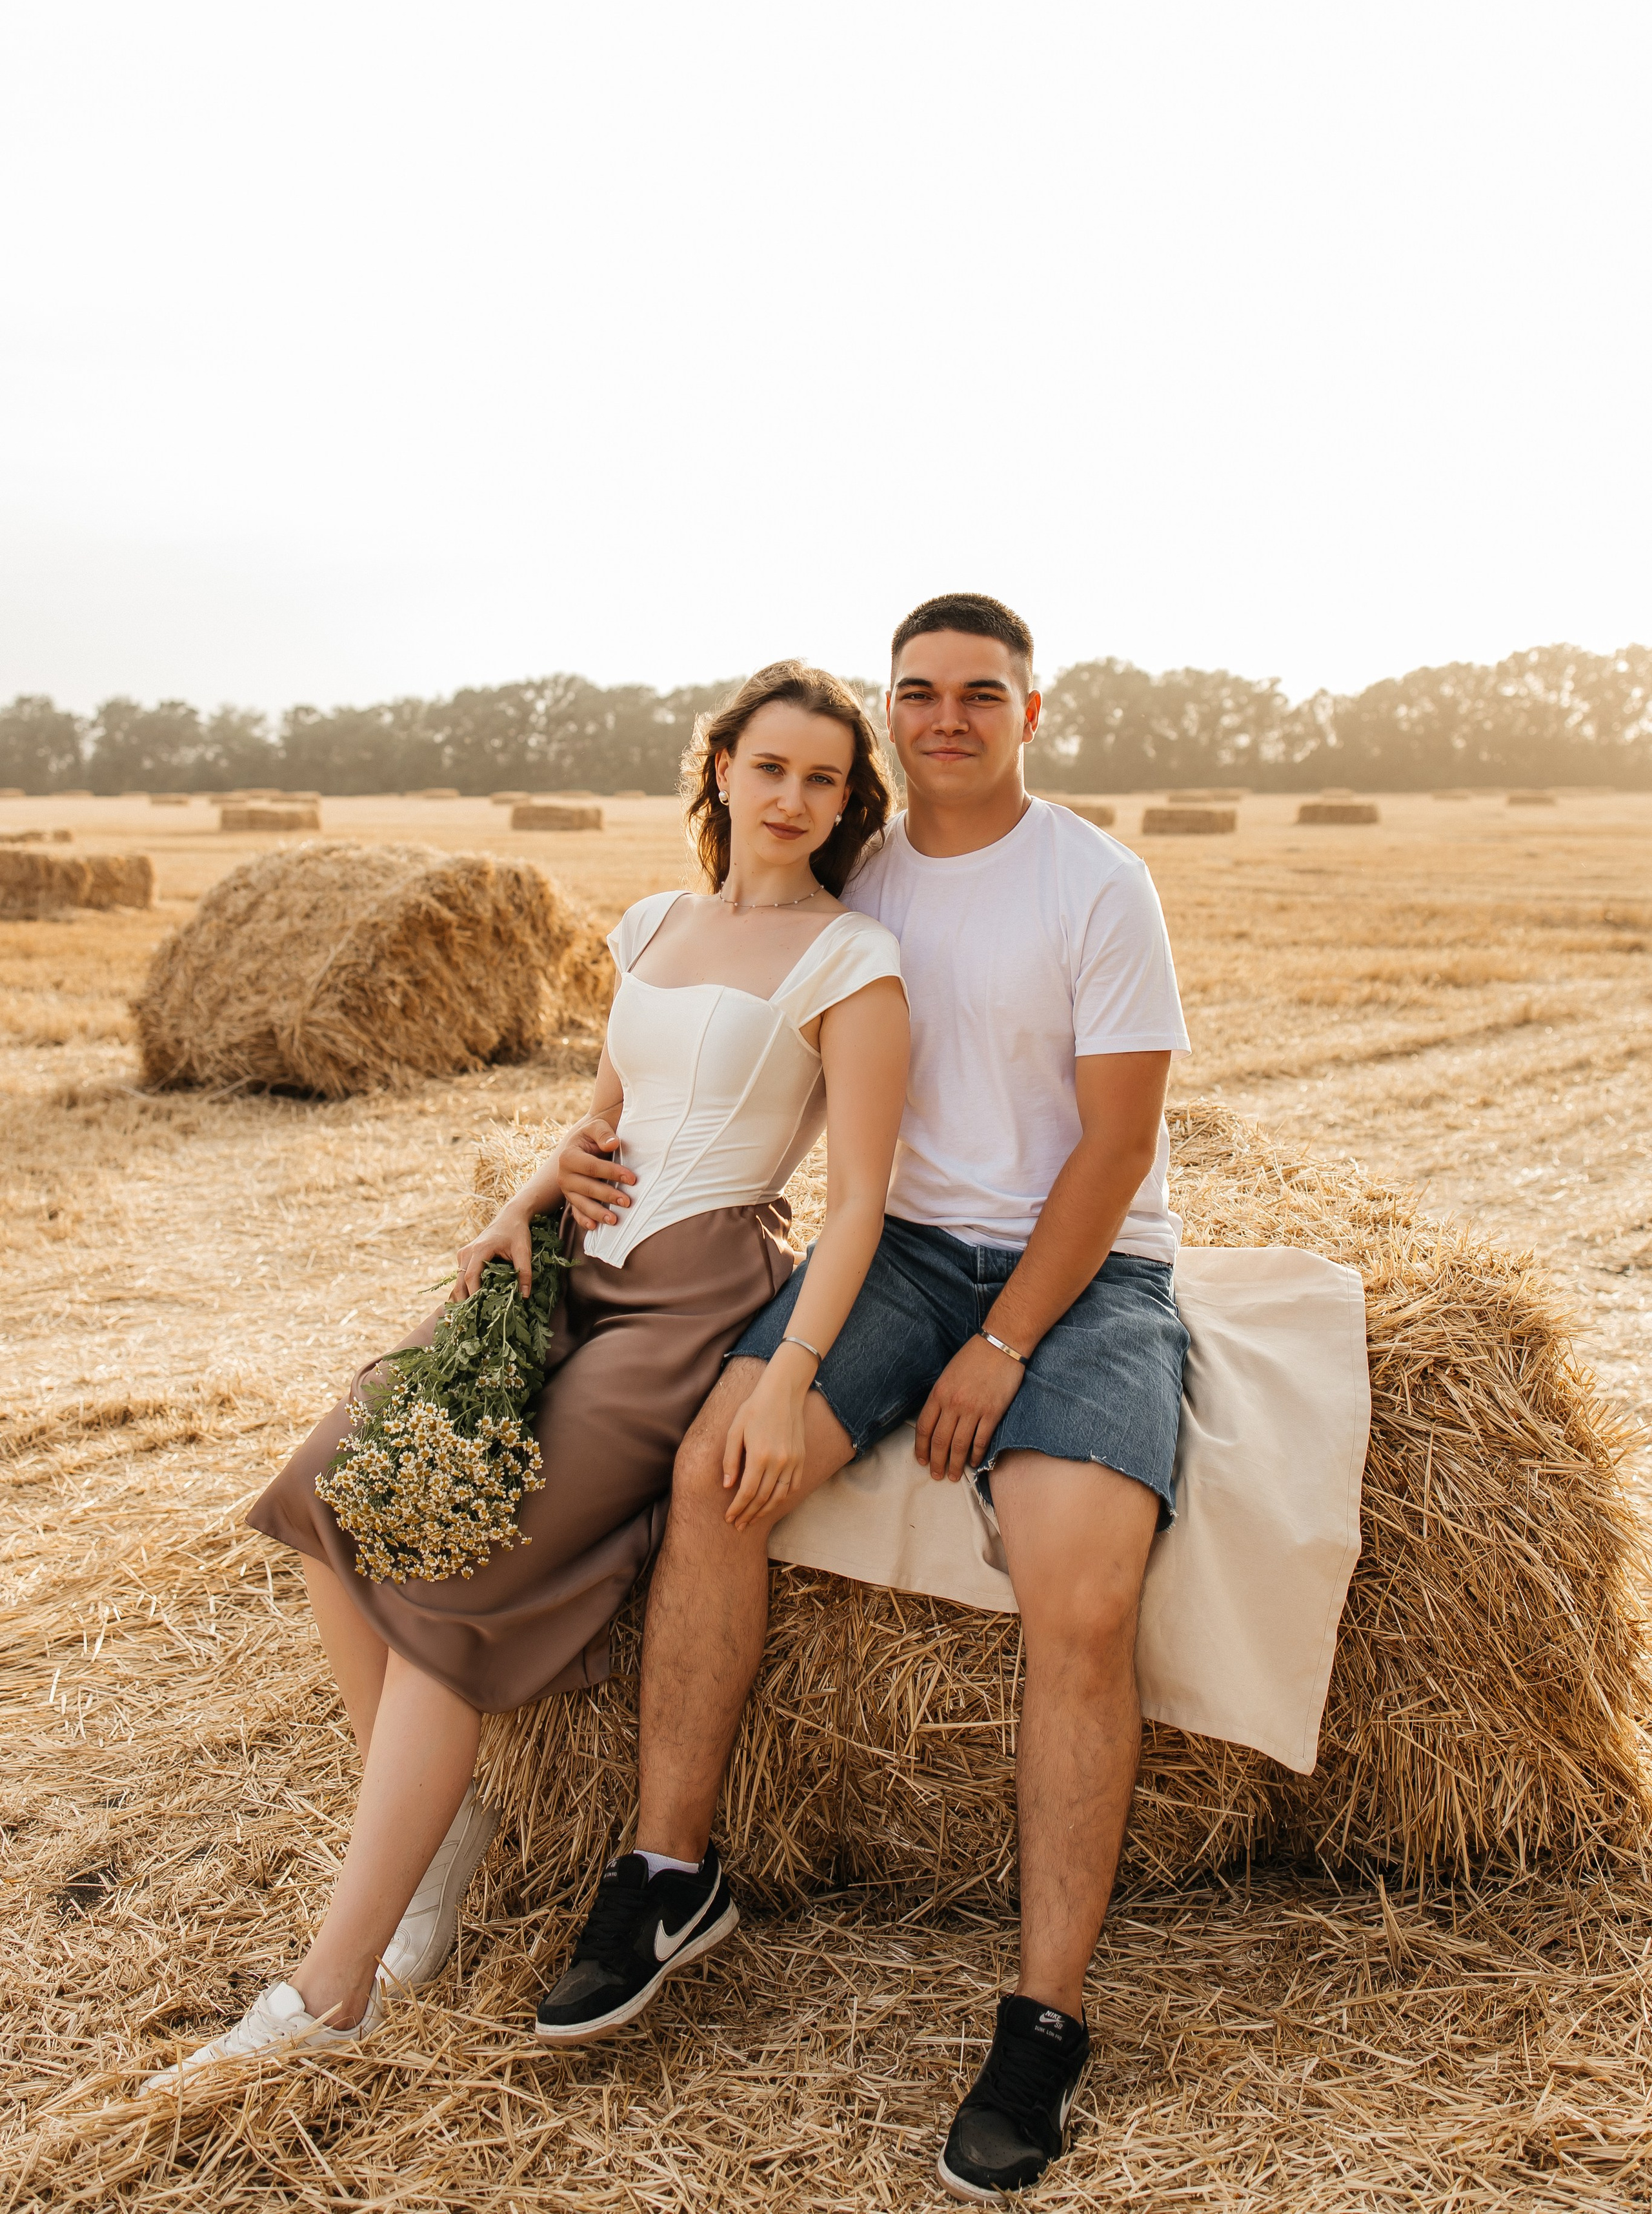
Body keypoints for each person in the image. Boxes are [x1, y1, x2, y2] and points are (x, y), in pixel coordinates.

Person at [140, 660, 909, 2091]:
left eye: (824, 779)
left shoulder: (847, 961)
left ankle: (334, 1990)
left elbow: (859, 1196)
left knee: (446, 1581)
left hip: (693, 1307)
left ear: (846, 800)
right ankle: (433, 1845)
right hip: (568, 1272)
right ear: (722, 772)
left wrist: (788, 1369)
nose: (794, 797)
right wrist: (525, 1196)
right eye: (770, 767)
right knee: (339, 1490)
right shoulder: (652, 924)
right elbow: (608, 1115)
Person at [536, 593, 1191, 2202]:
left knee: (1079, 1588)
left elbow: (1110, 1153)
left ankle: (1042, 2023)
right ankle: (670, 1871)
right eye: (918, 693)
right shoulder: (856, 878)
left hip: (1083, 1273)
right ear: (888, 718)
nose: (944, 717)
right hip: (897, 1257)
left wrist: (1004, 1345)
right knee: (716, 1473)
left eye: (980, 693)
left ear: (1032, 712)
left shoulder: (1098, 885)